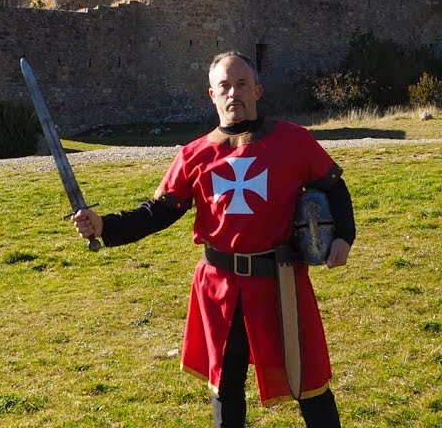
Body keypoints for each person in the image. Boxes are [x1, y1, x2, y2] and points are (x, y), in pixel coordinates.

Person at [72, 51, 356, 428]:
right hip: (220, 289)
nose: (233, 93)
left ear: (257, 90)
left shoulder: (294, 141)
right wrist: (105, 225)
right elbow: (158, 212)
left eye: (241, 84)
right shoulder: (194, 154)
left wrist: (344, 237)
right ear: (212, 95)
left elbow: (334, 188)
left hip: (281, 280)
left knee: (309, 383)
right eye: (225, 85)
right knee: (226, 386)